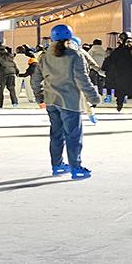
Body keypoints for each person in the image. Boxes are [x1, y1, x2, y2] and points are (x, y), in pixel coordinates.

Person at [32, 24, 100, 180]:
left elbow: (36, 80)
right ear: (69, 37)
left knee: (56, 135)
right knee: (73, 136)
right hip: (69, 101)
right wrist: (93, 97)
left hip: (51, 100)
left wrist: (39, 97)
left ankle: (57, 165)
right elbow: (82, 79)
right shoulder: (75, 55)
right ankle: (76, 167)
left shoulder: (44, 56)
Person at [103, 32, 132, 113]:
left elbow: (110, 61)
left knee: (121, 90)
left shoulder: (118, 50)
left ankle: (119, 105)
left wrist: (104, 67)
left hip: (121, 74)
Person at [0, 44, 19, 108]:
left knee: (1, 89)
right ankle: (15, 103)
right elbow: (13, 63)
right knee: (11, 88)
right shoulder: (9, 55)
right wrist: (17, 71)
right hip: (12, 72)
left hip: (3, 72)